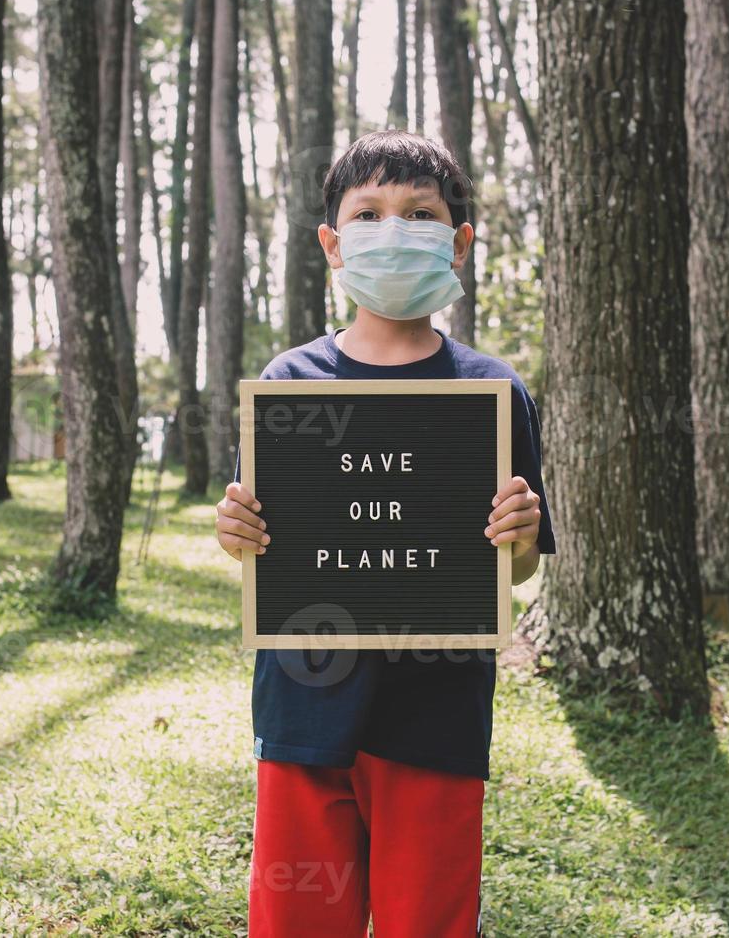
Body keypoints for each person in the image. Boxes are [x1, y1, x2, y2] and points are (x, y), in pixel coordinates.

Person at [214, 129, 555, 936]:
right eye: (368, 213)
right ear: (334, 243)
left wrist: (520, 538)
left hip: (436, 718)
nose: (393, 230)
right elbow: (265, 550)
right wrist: (237, 535)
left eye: (420, 212)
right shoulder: (286, 386)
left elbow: (512, 572)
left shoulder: (495, 393)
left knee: (426, 924)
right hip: (304, 714)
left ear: (459, 243)